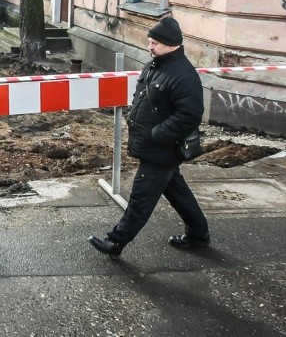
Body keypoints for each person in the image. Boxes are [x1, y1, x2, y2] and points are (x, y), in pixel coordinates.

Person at [88, 17, 209, 259]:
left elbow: (190, 115)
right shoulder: (158, 65)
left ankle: (115, 241)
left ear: (171, 44)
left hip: (161, 148)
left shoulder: (183, 75)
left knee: (141, 198)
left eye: (155, 43)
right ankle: (198, 234)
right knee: (176, 190)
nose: (149, 47)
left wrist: (157, 134)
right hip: (153, 145)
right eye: (150, 42)